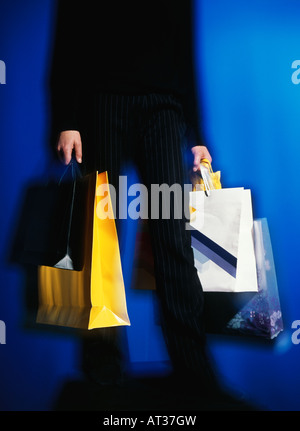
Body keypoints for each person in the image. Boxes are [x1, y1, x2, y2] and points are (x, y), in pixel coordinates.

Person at [50, 0, 217, 397]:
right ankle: (101, 363)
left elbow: (185, 51)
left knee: (172, 239)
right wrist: (67, 120)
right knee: (100, 238)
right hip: (101, 102)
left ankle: (192, 367)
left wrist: (197, 135)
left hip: (164, 109)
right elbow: (69, 37)